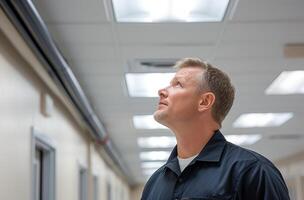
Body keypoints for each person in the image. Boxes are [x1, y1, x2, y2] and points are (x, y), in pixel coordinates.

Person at [141, 58, 290, 200]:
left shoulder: (252, 171)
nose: (161, 91)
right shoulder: (155, 182)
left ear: (205, 101)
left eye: (178, 84)